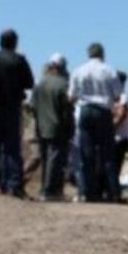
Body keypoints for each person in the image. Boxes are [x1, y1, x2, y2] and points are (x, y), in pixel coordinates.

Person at [0, 29, 34, 198]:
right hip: (12, 108)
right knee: (12, 148)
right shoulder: (19, 60)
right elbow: (29, 82)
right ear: (15, 42)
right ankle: (13, 185)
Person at [68, 43, 122, 203]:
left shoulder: (79, 70)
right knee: (108, 154)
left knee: (87, 154)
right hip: (103, 111)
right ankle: (113, 192)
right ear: (102, 54)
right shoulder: (109, 70)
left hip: (85, 110)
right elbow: (118, 95)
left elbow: (71, 96)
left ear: (88, 54)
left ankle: (89, 192)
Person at [33, 54, 73, 202]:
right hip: (58, 128)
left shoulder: (40, 84)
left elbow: (33, 106)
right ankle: (51, 191)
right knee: (55, 160)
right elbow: (67, 110)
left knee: (45, 159)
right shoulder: (64, 84)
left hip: (41, 127)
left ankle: (44, 189)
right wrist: (69, 128)